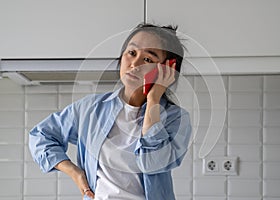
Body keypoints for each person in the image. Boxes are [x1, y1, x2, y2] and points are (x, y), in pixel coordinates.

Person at [29, 23, 192, 200]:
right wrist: (75, 172)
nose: (134, 64)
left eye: (148, 59)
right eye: (132, 53)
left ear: (167, 70)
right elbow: (40, 136)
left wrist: (153, 100)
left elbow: (152, 163)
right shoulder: (89, 108)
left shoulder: (176, 119)